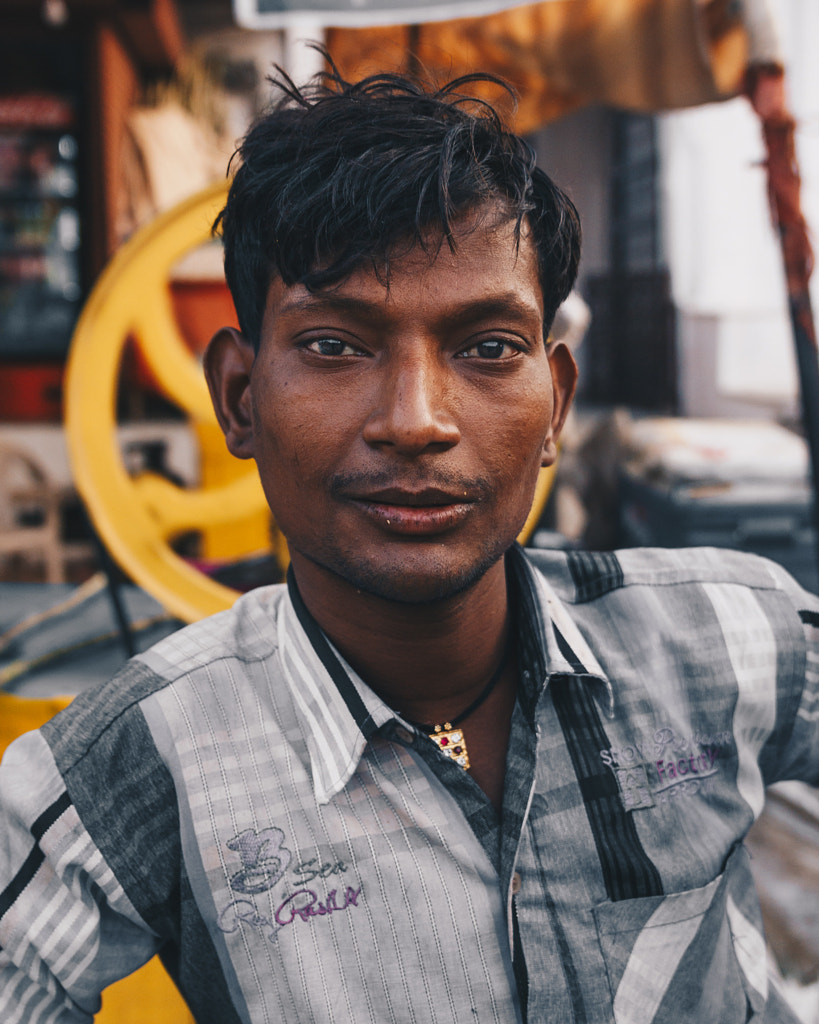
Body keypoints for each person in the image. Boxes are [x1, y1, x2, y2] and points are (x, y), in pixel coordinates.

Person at [1, 58, 817, 1024]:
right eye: (335, 345)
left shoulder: (730, 636)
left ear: (554, 401)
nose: (417, 420)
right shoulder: (132, 770)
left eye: (486, 349)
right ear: (238, 396)